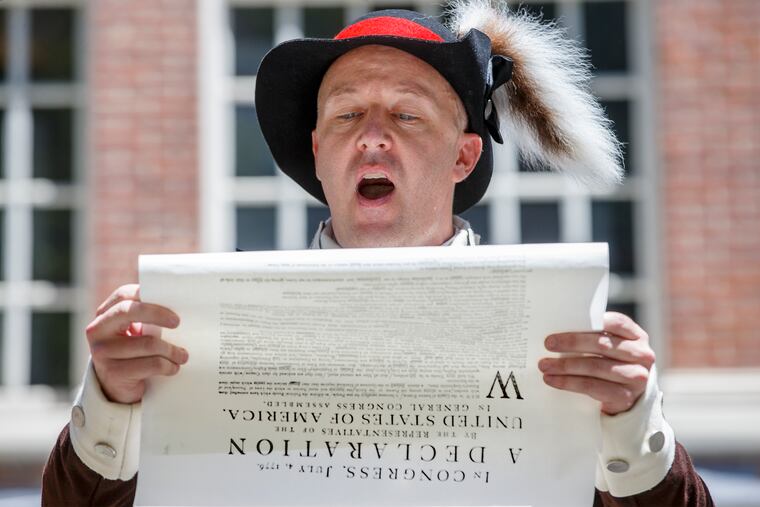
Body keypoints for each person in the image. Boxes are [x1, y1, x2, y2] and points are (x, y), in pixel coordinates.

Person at [42, 3, 713, 506]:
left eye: (407, 114)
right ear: (318, 151)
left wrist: (630, 420)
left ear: (463, 154)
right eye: (345, 114)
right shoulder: (200, 333)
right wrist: (112, 401)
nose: (371, 137)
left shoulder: (561, 343)